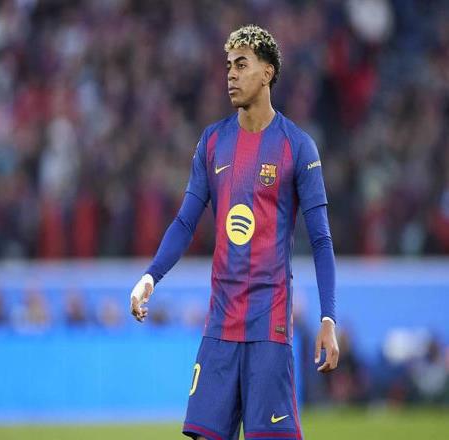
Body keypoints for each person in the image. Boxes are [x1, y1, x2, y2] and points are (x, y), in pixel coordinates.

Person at [130, 24, 339, 440]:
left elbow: (321, 241)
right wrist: (150, 276)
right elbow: (185, 222)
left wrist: (328, 317)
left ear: (267, 72)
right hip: (219, 328)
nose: (231, 74)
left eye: (241, 65)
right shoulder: (212, 142)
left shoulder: (298, 147)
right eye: (228, 66)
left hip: (269, 329)